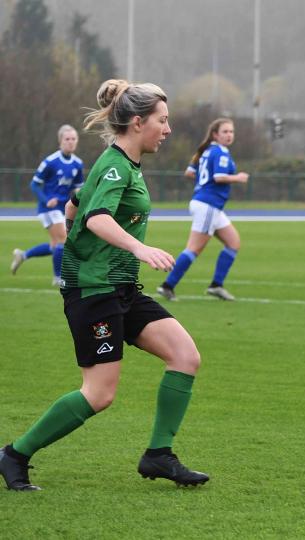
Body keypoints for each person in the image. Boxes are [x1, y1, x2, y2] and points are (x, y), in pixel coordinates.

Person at [0, 79, 209, 491]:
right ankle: (13, 455)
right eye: (162, 121)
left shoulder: (118, 165)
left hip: (121, 288)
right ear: (137, 122)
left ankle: (158, 456)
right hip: (95, 293)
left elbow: (74, 204)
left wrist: (85, 246)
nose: (167, 130)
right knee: (99, 393)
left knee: (185, 355)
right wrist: (137, 248)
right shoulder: (115, 167)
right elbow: (94, 216)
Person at [156, 118, 248, 302]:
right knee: (193, 249)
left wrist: (203, 181)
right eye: (225, 132)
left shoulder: (205, 150)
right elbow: (220, 176)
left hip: (209, 205)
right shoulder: (220, 152)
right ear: (215, 134)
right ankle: (167, 286)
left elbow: (189, 173)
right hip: (208, 204)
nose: (229, 135)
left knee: (233, 242)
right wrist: (238, 177)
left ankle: (216, 285)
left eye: (231, 132)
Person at [11, 125, 85, 287]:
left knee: (55, 246)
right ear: (60, 141)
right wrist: (46, 200)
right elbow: (34, 185)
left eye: (74, 139)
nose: (71, 142)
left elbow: (78, 188)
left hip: (63, 209)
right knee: (63, 240)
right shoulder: (50, 162)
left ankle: (23, 255)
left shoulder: (78, 164)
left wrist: (80, 198)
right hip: (48, 208)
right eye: (67, 139)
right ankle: (58, 278)